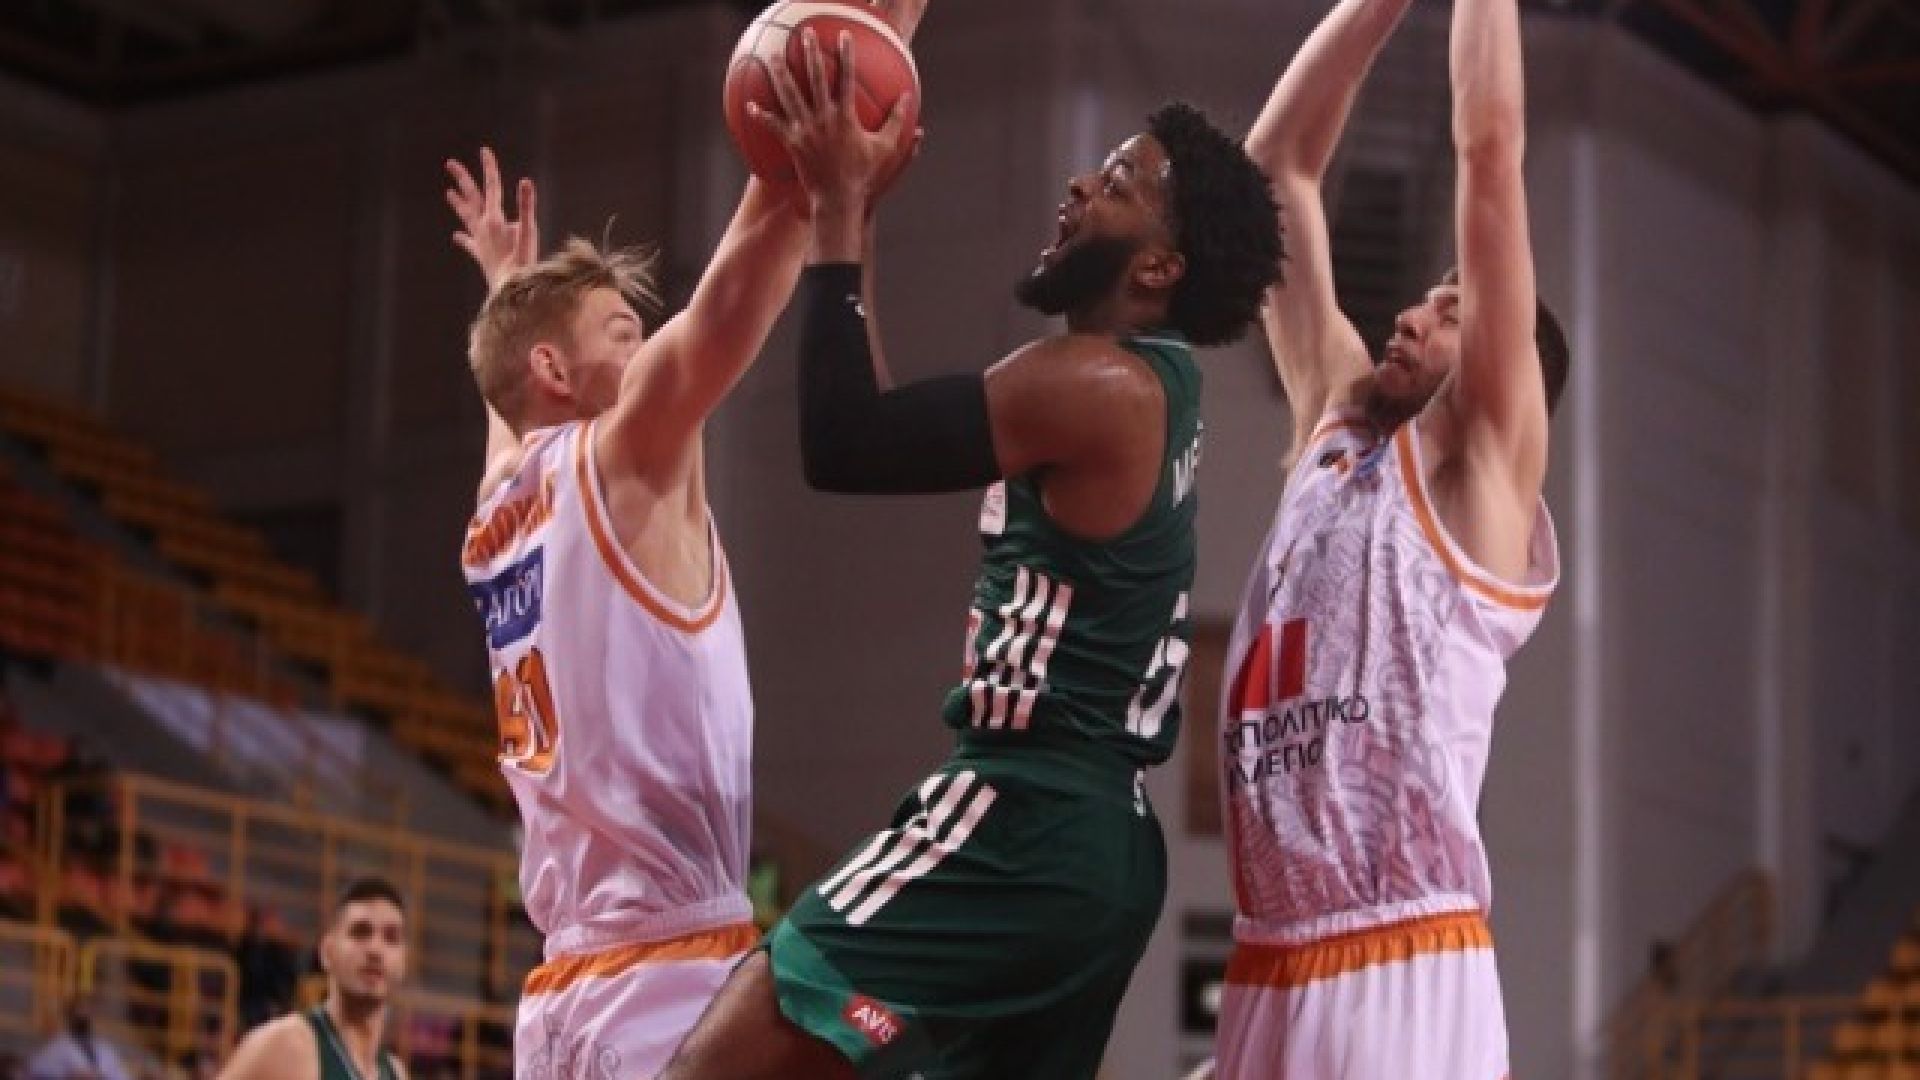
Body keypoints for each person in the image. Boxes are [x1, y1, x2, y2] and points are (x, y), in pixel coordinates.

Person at [660, 31, 1282, 1080]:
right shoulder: (1153, 391)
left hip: (1027, 814)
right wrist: (853, 215)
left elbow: (846, 440)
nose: (1081, 185)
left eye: (1118, 184)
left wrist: (837, 210)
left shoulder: (1095, 383)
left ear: (1159, 266)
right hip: (1103, 851)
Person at [446, 3, 928, 1075]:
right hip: (666, 976)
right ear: (556, 372)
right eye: (625, 331)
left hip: (559, 996)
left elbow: (509, 402)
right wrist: (842, 78)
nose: (648, 347)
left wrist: (504, 287)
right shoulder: (625, 451)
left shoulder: (491, 514)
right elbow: (752, 261)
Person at [1213, 0, 1568, 1074]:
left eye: (1450, 312)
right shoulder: (1337, 418)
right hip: (1266, 950)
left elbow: (1489, 150)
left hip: (1402, 956)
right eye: (1421, 303)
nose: (1411, 317)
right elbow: (1272, 172)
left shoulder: (1482, 468)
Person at [216, 878, 407, 1080]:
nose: (375, 950)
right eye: (360, 932)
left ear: (403, 962)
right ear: (327, 953)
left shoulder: (396, 1072)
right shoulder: (286, 1045)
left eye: (391, 938)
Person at [26, 994, 134, 1080]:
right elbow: (34, 1071)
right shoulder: (56, 1047)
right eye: (79, 1013)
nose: (84, 1016)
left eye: (88, 1013)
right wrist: (69, 1076)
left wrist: (99, 1076)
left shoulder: (104, 1048)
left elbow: (119, 1075)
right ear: (70, 1017)